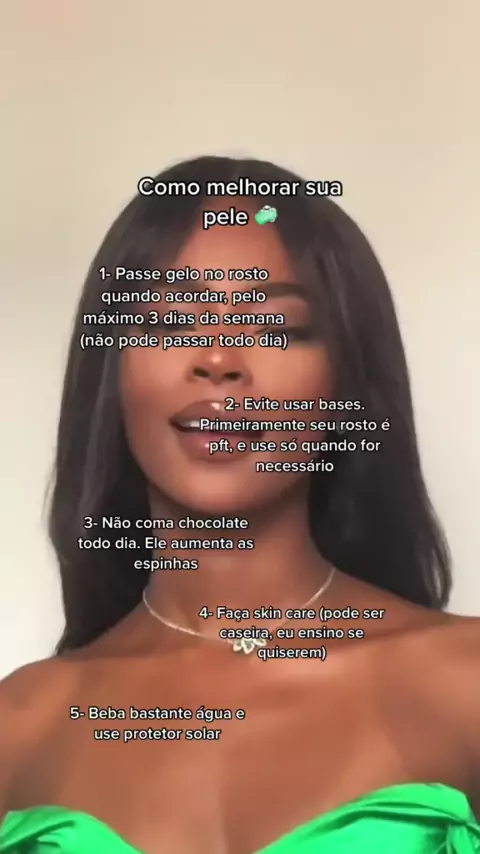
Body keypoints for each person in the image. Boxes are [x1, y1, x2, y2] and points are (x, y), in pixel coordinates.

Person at [0, 156, 479, 854]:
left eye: (275, 328)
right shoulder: (19, 729)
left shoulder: (466, 683)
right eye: (171, 322)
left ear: (344, 379)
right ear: (112, 372)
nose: (220, 360)